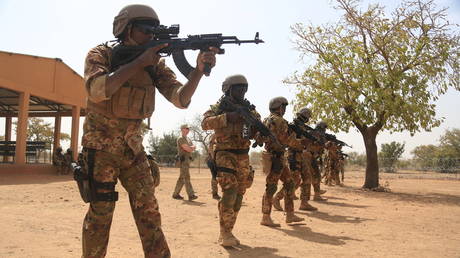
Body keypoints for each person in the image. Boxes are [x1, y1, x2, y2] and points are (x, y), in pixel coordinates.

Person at [79, 4, 217, 257]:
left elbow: (180, 99)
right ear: (126, 29)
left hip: (134, 152)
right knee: (100, 216)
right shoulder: (102, 55)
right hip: (100, 152)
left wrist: (197, 72)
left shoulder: (155, 65)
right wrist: (139, 62)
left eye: (155, 32)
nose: (151, 36)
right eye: (145, 30)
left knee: (150, 215)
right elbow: (98, 89)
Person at [201, 74, 259, 246]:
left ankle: (228, 231)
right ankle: (225, 234)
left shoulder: (251, 111)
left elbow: (256, 131)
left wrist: (259, 135)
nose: (242, 91)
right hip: (224, 153)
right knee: (230, 191)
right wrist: (227, 117)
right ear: (228, 89)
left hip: (242, 154)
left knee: (240, 194)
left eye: (244, 88)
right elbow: (205, 123)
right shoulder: (219, 107)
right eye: (238, 88)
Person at [260, 97, 305, 227]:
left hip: (276, 156)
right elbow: (287, 140)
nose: (284, 110)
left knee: (290, 183)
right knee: (272, 187)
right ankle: (265, 216)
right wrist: (301, 143)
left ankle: (290, 215)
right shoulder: (280, 121)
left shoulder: (267, 120)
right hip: (276, 158)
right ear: (279, 107)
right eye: (284, 107)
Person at [272, 107, 318, 211]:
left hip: (301, 154)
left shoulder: (302, 127)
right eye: (307, 117)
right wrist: (302, 141)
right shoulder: (292, 126)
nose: (307, 119)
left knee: (307, 178)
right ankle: (277, 198)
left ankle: (304, 203)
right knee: (295, 180)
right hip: (293, 154)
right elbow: (288, 140)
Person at [172, 124, 198, 201]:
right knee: (186, 177)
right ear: (182, 129)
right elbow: (189, 149)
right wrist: (191, 147)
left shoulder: (188, 139)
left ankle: (175, 194)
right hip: (183, 161)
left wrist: (191, 147)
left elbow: (192, 147)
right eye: (187, 128)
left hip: (187, 160)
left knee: (182, 178)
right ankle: (191, 195)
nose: (188, 130)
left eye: (188, 128)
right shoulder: (181, 139)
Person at [206, 133, 221, 200]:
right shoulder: (214, 135)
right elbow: (210, 146)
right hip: (212, 159)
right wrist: (213, 158)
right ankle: (214, 194)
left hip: (218, 158)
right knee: (214, 176)